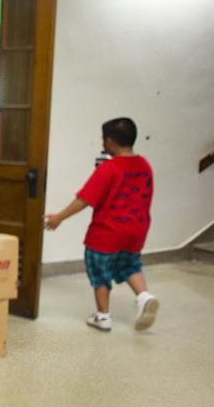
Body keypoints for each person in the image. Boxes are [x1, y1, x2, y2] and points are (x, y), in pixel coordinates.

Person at [45, 117, 158, 332]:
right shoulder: (144, 165)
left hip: (107, 232)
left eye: (103, 139)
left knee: (99, 270)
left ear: (111, 141)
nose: (102, 144)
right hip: (137, 229)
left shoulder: (109, 168)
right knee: (129, 265)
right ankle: (144, 296)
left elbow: (85, 199)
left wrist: (59, 217)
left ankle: (103, 316)